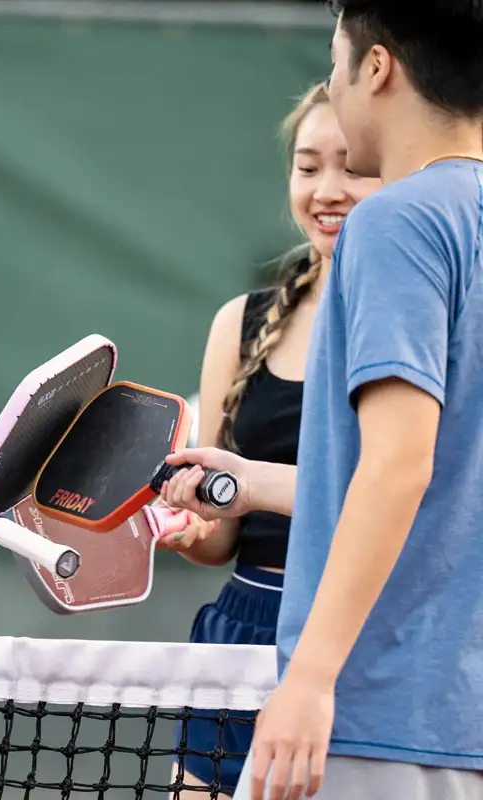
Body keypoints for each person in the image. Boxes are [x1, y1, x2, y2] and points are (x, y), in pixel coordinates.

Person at [161, 1, 483, 798]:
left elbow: (400, 467)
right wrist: (248, 484)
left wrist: (306, 679)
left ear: (376, 69)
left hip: (372, 711)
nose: (333, 87)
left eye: (337, 63)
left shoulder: (397, 222)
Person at [158, 83, 380, 799]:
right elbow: (224, 537)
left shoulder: (428, 313)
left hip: (373, 641)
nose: (328, 190)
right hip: (243, 630)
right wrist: (198, 529)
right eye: (308, 166)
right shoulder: (240, 324)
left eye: (353, 167)